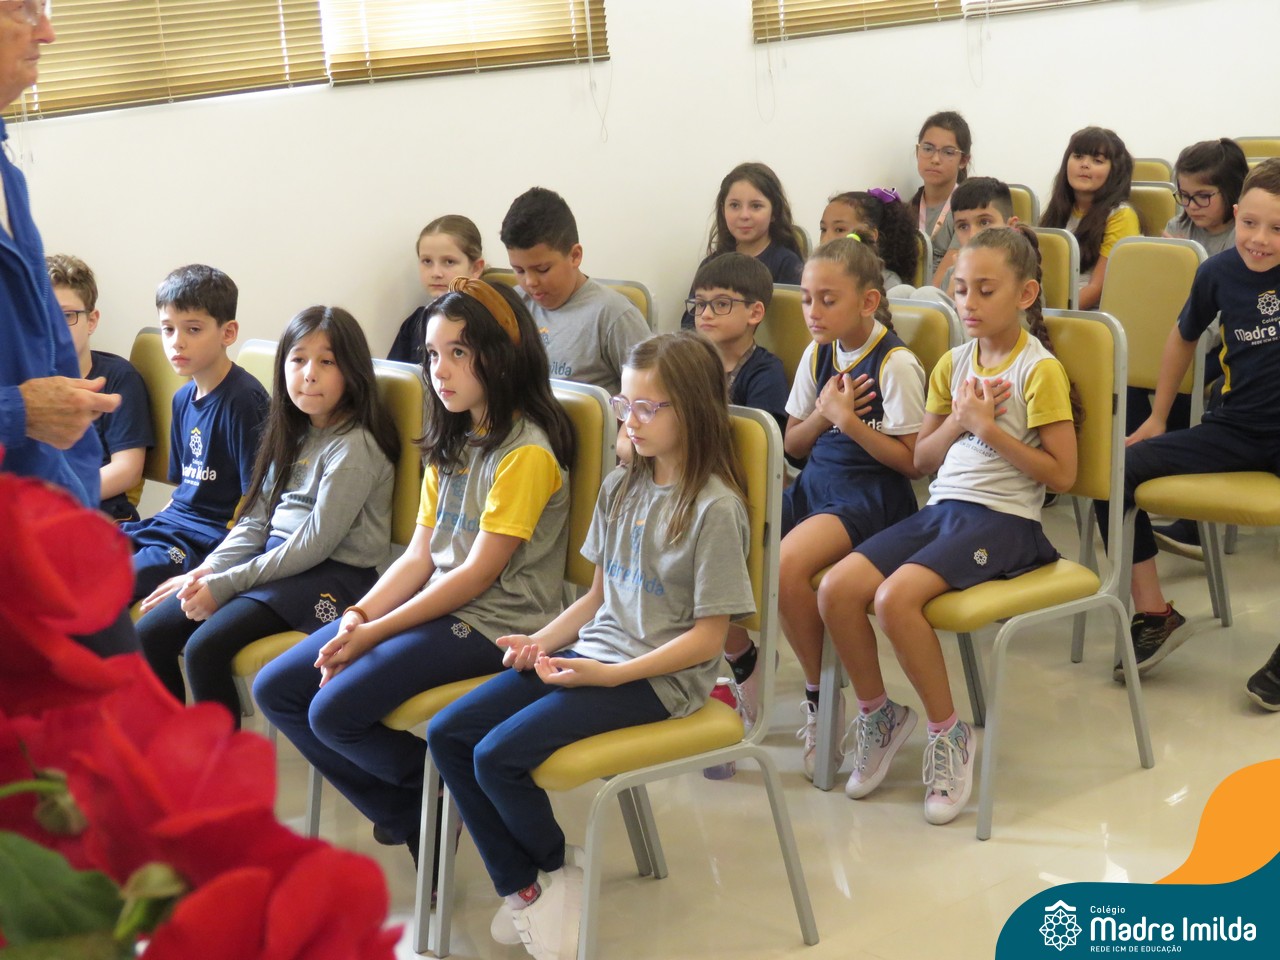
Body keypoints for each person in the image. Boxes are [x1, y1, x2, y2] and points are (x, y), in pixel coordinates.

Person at [427, 331, 753, 960]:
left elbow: (708, 640)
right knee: (448, 734)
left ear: (694, 409)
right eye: (626, 405)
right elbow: (597, 600)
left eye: (649, 407)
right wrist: (539, 642)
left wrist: (611, 676)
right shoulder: (620, 486)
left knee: (496, 756)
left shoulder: (715, 509)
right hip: (595, 655)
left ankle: (547, 874)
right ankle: (532, 886)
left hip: (659, 680)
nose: (632, 421)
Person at [255, 277, 575, 865]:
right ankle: (422, 808)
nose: (439, 370)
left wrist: (375, 631)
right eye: (431, 354)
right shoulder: (454, 437)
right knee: (276, 688)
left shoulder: (525, 451)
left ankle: (434, 796)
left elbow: (476, 576)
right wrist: (359, 616)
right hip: (439, 606)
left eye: (458, 352)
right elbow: (418, 557)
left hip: (494, 624)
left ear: (501, 356)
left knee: (333, 711)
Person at [818, 226, 1077, 823]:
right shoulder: (952, 365)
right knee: (836, 588)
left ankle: (949, 731)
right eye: (960, 289)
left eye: (986, 289)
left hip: (1006, 521)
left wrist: (987, 429)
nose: (968, 302)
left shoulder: (1039, 371)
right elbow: (922, 460)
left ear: (1025, 293)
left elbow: (1063, 476)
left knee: (894, 599)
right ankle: (880, 713)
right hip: (943, 509)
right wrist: (961, 422)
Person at [136, 307, 398, 721]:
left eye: (327, 362)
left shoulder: (354, 448)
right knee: (151, 631)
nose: (309, 374)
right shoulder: (292, 432)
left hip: (332, 576)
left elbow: (313, 545)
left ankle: (220, 760)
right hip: (276, 563)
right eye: (298, 359)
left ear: (352, 371)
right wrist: (204, 572)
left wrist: (225, 584)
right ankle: (169, 749)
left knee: (206, 648)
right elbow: (256, 520)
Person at [1095, 159, 1280, 709]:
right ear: (1235, 215)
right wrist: (1157, 416)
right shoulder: (1217, 272)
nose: (1259, 239)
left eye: (1277, 229)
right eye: (1249, 223)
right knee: (1114, 473)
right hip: (1235, 428)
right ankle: (1155, 614)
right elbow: (1182, 336)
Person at [780, 237, 927, 780]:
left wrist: (848, 422)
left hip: (870, 496)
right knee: (734, 546)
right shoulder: (816, 353)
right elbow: (793, 444)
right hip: (817, 484)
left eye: (828, 300)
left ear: (868, 302)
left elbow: (913, 464)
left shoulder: (896, 363)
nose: (813, 312)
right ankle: (747, 674)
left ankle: (826, 698)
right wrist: (825, 416)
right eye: (806, 299)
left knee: (785, 565)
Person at [1, 6, 119, 510]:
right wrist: (16, 411)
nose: (47, 33)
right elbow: (34, 403)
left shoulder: (10, 180)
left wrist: (78, 499)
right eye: (24, 10)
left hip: (45, 517)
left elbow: (54, 366)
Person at [123, 265, 269, 603]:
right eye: (168, 329)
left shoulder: (244, 400)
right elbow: (183, 492)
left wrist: (215, 569)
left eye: (193, 329)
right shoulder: (181, 399)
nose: (177, 342)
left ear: (228, 333)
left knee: (110, 580)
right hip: (168, 527)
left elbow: (257, 502)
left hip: (206, 539)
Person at [684, 251, 787, 724]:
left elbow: (762, 453)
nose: (705, 313)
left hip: (741, 500)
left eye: (721, 303)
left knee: (700, 570)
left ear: (754, 312)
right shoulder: (690, 364)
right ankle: (730, 663)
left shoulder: (764, 372)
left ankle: (738, 663)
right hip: (693, 491)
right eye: (700, 303)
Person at [1150, 139, 1251, 557]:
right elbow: (1165, 295)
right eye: (1184, 195)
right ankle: (1154, 491)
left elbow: (1224, 313)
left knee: (1193, 387)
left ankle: (1194, 522)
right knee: (1137, 388)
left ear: (1232, 192)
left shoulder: (1246, 236)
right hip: (1180, 333)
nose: (1191, 206)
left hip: (1221, 342)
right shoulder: (1178, 227)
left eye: (1202, 196)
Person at [500, 186, 648, 396]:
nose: (530, 282)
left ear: (575, 256)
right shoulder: (510, 307)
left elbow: (651, 396)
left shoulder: (613, 315)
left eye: (543, 269)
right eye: (519, 270)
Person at [47, 253, 153, 522]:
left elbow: (127, 470)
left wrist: (59, 496)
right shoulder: (24, 383)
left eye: (67, 315)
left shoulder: (119, 379)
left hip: (100, 511)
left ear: (92, 321)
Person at [680, 162, 804, 328]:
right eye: (734, 205)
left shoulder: (787, 263)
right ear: (723, 210)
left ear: (774, 212)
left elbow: (791, 327)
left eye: (756, 206)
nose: (744, 215)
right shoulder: (710, 264)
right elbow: (689, 324)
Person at [1039, 126, 1139, 310]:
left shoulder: (1121, 215)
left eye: (1097, 160)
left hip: (1090, 314)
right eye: (1078, 156)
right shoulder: (1059, 209)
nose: (1084, 164)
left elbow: (1097, 289)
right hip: (1053, 308)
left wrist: (1051, 316)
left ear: (1114, 171)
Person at [388, 215, 485, 365]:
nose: (436, 273)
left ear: (475, 268)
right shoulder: (415, 322)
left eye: (449, 262)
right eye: (427, 261)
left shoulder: (489, 323)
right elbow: (395, 375)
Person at [911, 176, 1018, 303]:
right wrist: (951, 296)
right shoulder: (952, 273)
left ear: (1011, 226)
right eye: (963, 226)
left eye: (984, 222)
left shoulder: (1021, 271)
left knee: (925, 295)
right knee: (903, 292)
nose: (973, 235)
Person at [907, 111, 971, 285]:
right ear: (917, 151)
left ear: (963, 160)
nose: (935, 159)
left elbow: (941, 286)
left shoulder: (966, 211)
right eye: (927, 149)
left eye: (948, 152)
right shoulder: (906, 210)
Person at [819, 188, 919, 291]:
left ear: (871, 235)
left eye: (839, 230)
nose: (826, 239)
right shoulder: (815, 274)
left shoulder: (888, 283)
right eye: (823, 229)